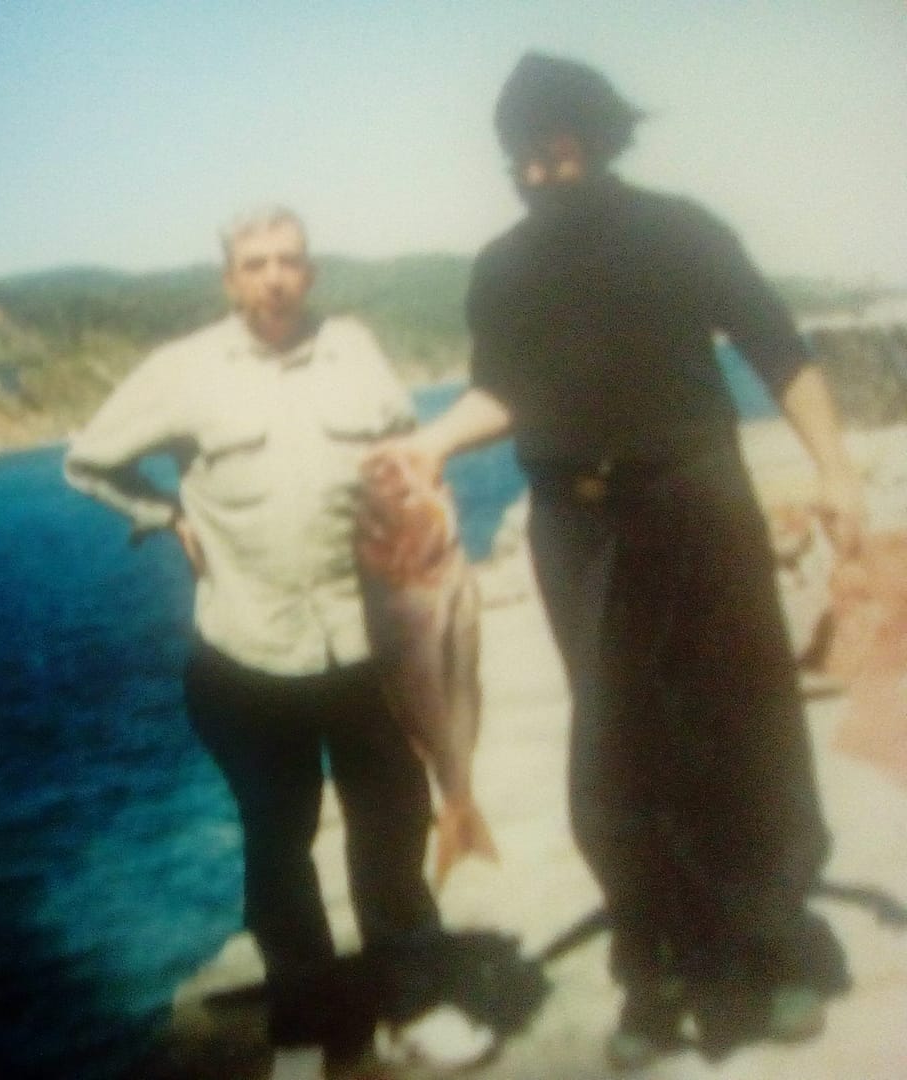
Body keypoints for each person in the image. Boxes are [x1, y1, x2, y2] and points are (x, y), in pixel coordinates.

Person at [369, 53, 864, 1069]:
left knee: (743, 723)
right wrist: (430, 442)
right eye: (522, 157)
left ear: (598, 139)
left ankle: (770, 948)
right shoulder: (501, 267)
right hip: (576, 525)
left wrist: (836, 472)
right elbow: (501, 390)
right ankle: (655, 964)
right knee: (615, 745)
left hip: (698, 501)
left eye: (555, 150)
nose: (540, 172)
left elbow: (778, 349)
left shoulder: (681, 231)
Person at [64, 208, 498, 1078]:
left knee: (392, 825)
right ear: (230, 278)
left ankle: (413, 1004)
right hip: (248, 650)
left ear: (311, 272)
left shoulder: (356, 350)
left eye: (289, 261)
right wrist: (167, 514)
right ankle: (304, 1022)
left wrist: (427, 500)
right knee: (277, 842)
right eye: (254, 263)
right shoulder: (182, 370)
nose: (273, 278)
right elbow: (87, 459)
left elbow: (405, 453)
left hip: (371, 643)